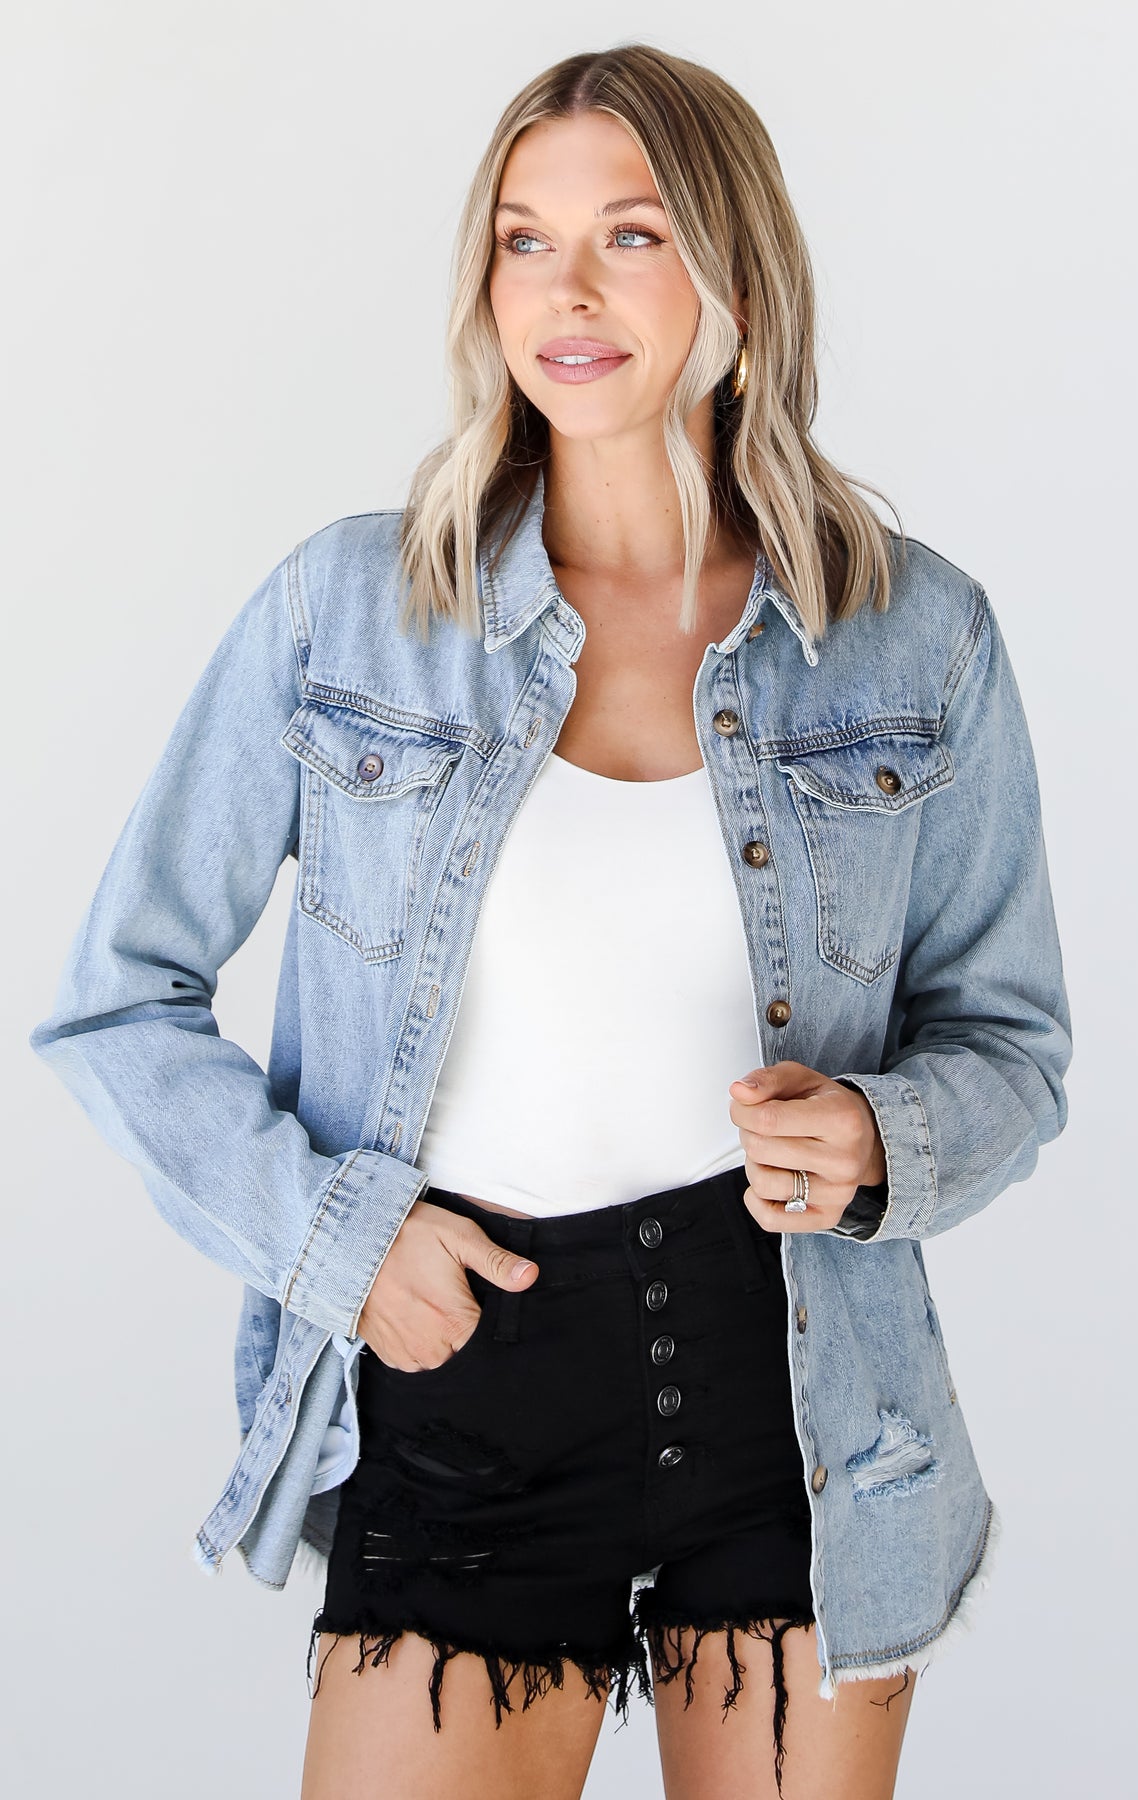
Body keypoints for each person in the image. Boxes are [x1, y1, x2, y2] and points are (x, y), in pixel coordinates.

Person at [28, 42, 1071, 1800]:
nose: (566, 292)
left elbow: (1014, 1044)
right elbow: (115, 1001)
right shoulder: (352, 612)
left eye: (631, 236)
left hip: (798, 1402)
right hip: (464, 1388)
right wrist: (336, 1242)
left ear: (740, 278)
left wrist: (882, 1140)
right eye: (525, 240)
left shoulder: (913, 634)